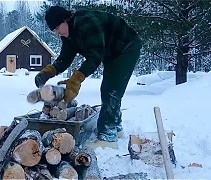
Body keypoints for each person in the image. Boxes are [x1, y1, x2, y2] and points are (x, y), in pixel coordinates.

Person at [35, 6, 142, 147]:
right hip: (111, 53)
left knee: (111, 89)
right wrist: (47, 72)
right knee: (109, 88)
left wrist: (76, 79)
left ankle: (108, 137)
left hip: (127, 47)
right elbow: (65, 58)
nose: (57, 33)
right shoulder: (69, 35)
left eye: (57, 28)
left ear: (65, 20)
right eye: (54, 31)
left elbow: (95, 57)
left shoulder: (87, 23)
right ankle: (115, 126)